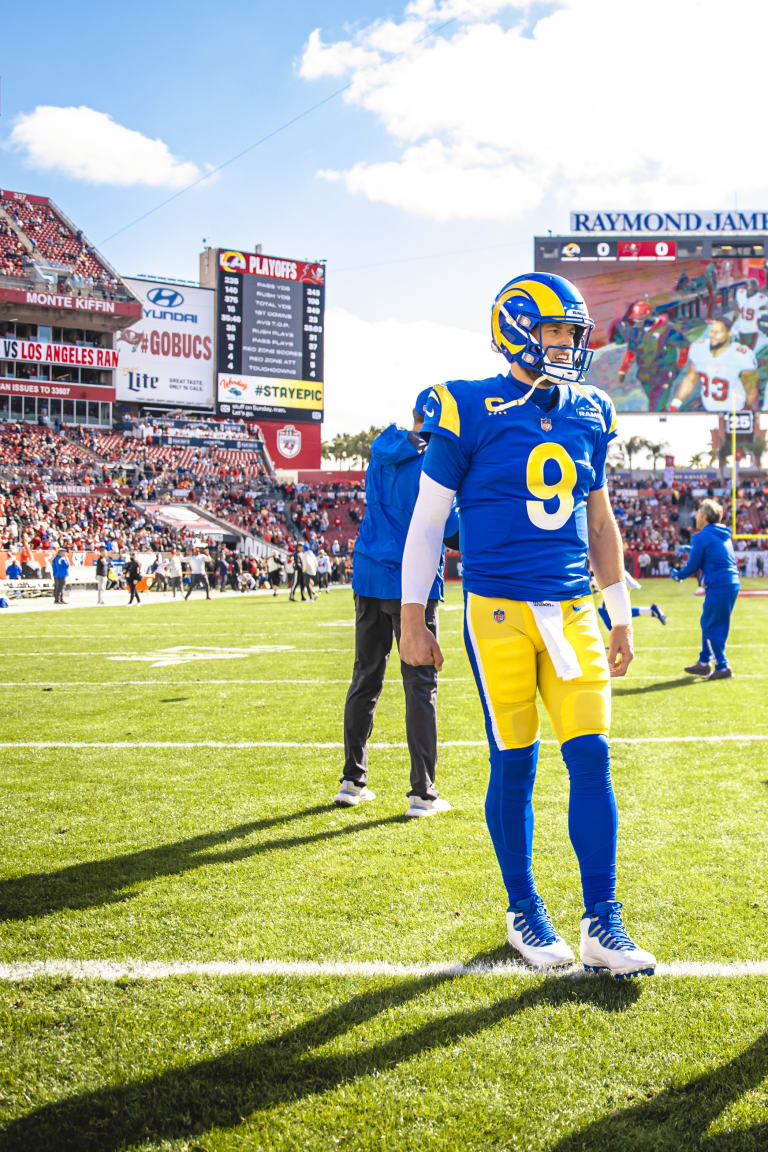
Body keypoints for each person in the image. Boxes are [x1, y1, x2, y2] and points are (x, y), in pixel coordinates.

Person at [400, 271, 656, 977]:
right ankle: (524, 909)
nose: (568, 345)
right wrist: (412, 617)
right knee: (516, 761)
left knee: (592, 758)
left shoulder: (591, 409)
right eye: (555, 332)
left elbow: (599, 521)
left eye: (573, 334)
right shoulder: (464, 406)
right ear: (515, 328)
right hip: (500, 613)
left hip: (573, 609)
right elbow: (427, 523)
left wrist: (620, 614)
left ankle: (604, 922)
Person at [335, 391, 459, 819]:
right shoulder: (435, 460)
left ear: (414, 415)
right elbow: (452, 531)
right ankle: (422, 792)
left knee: (365, 677)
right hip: (412, 583)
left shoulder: (380, 448)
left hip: (368, 573)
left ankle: (353, 780)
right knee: (420, 685)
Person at [671, 498, 740, 679]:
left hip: (718, 584)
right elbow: (711, 551)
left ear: (705, 516)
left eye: (699, 512)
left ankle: (722, 666)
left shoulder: (701, 536)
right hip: (730, 583)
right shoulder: (721, 533)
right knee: (714, 623)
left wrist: (677, 575)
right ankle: (704, 662)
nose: (696, 515)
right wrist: (689, 548)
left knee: (710, 625)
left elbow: (692, 566)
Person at [669, 318, 759, 412]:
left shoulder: (741, 355)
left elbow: (751, 389)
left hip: (735, 413)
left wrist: (753, 413)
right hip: (708, 410)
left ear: (729, 333)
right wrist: (676, 403)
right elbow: (691, 378)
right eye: (712, 331)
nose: (713, 335)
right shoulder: (699, 348)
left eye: (718, 332)